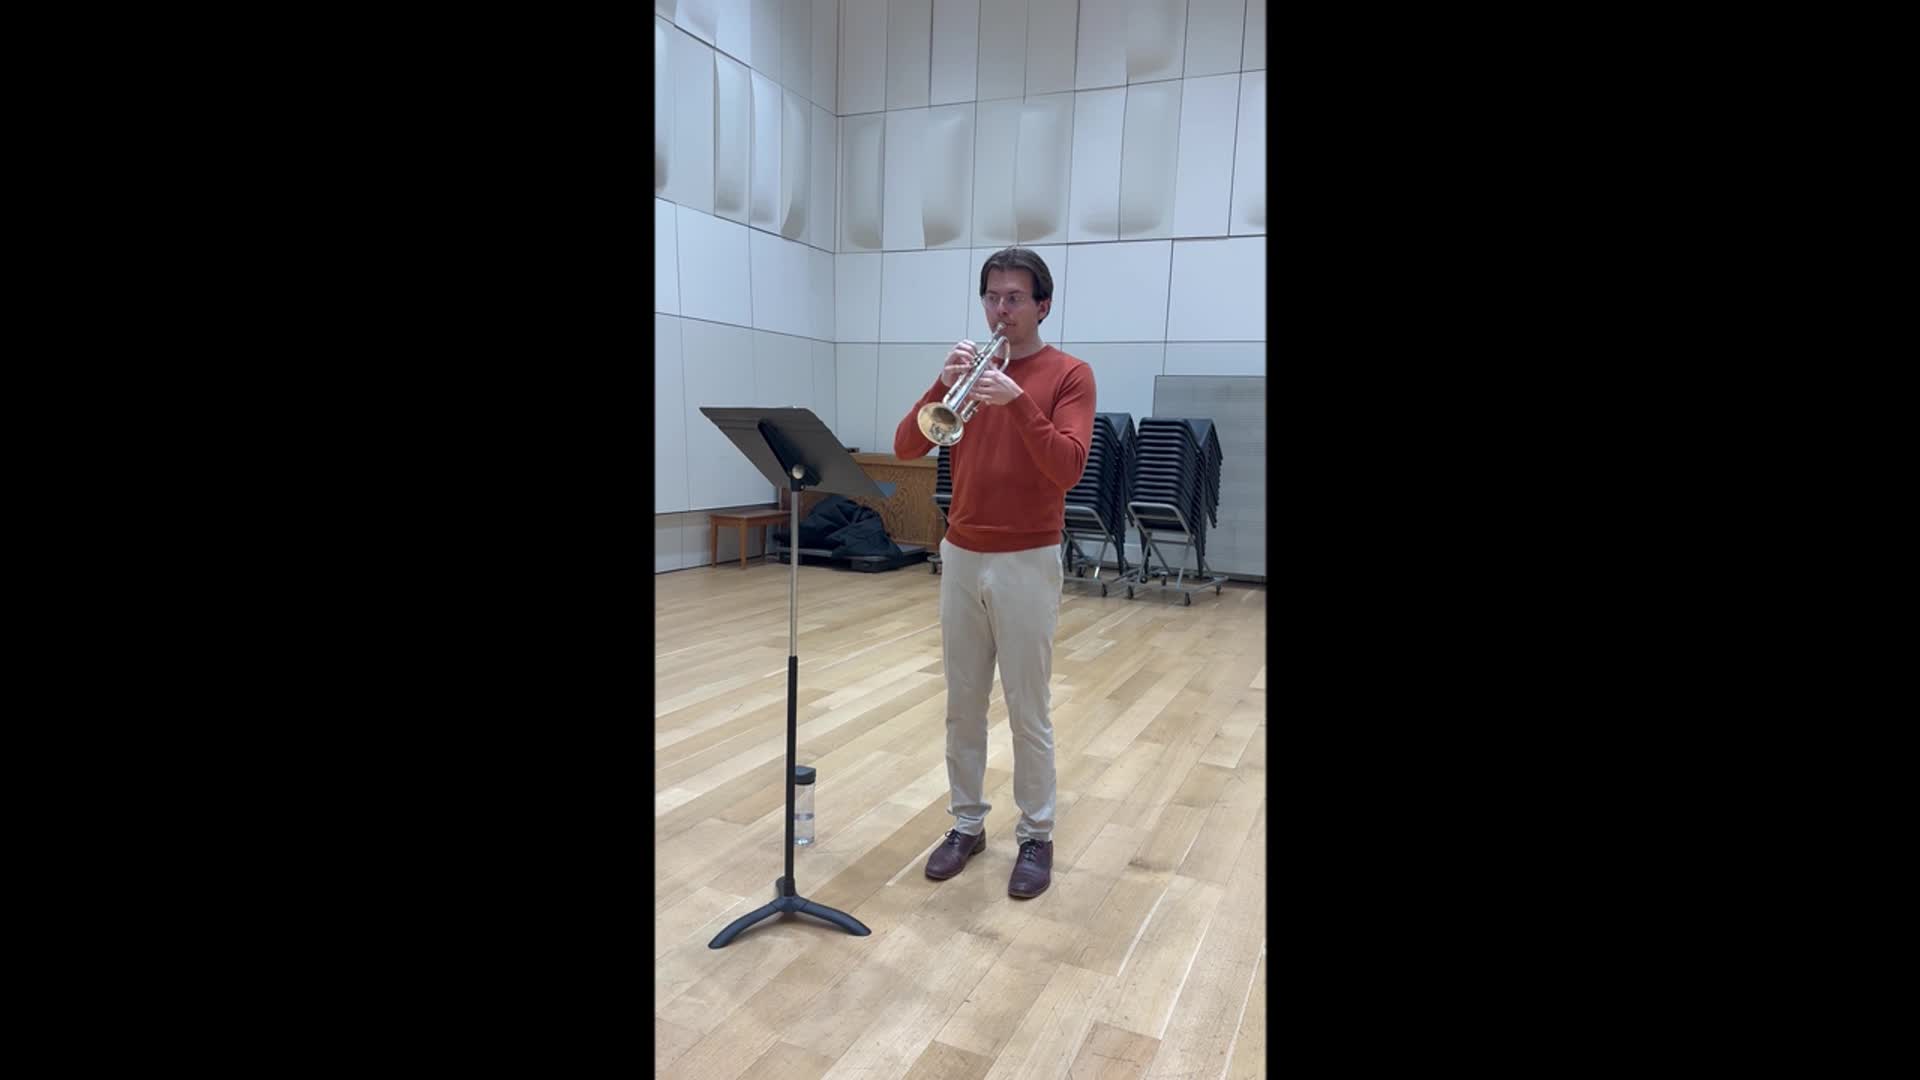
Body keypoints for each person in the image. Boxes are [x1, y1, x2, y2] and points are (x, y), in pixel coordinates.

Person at [892, 247, 1095, 899]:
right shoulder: (970, 372)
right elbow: (907, 445)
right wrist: (940, 383)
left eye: (1014, 298)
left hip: (1028, 558)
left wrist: (1017, 403)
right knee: (962, 704)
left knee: (1027, 708)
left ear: (1043, 305)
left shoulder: (1070, 374)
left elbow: (1068, 467)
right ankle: (966, 823)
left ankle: (1036, 834)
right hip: (961, 552)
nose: (1000, 310)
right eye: (991, 297)